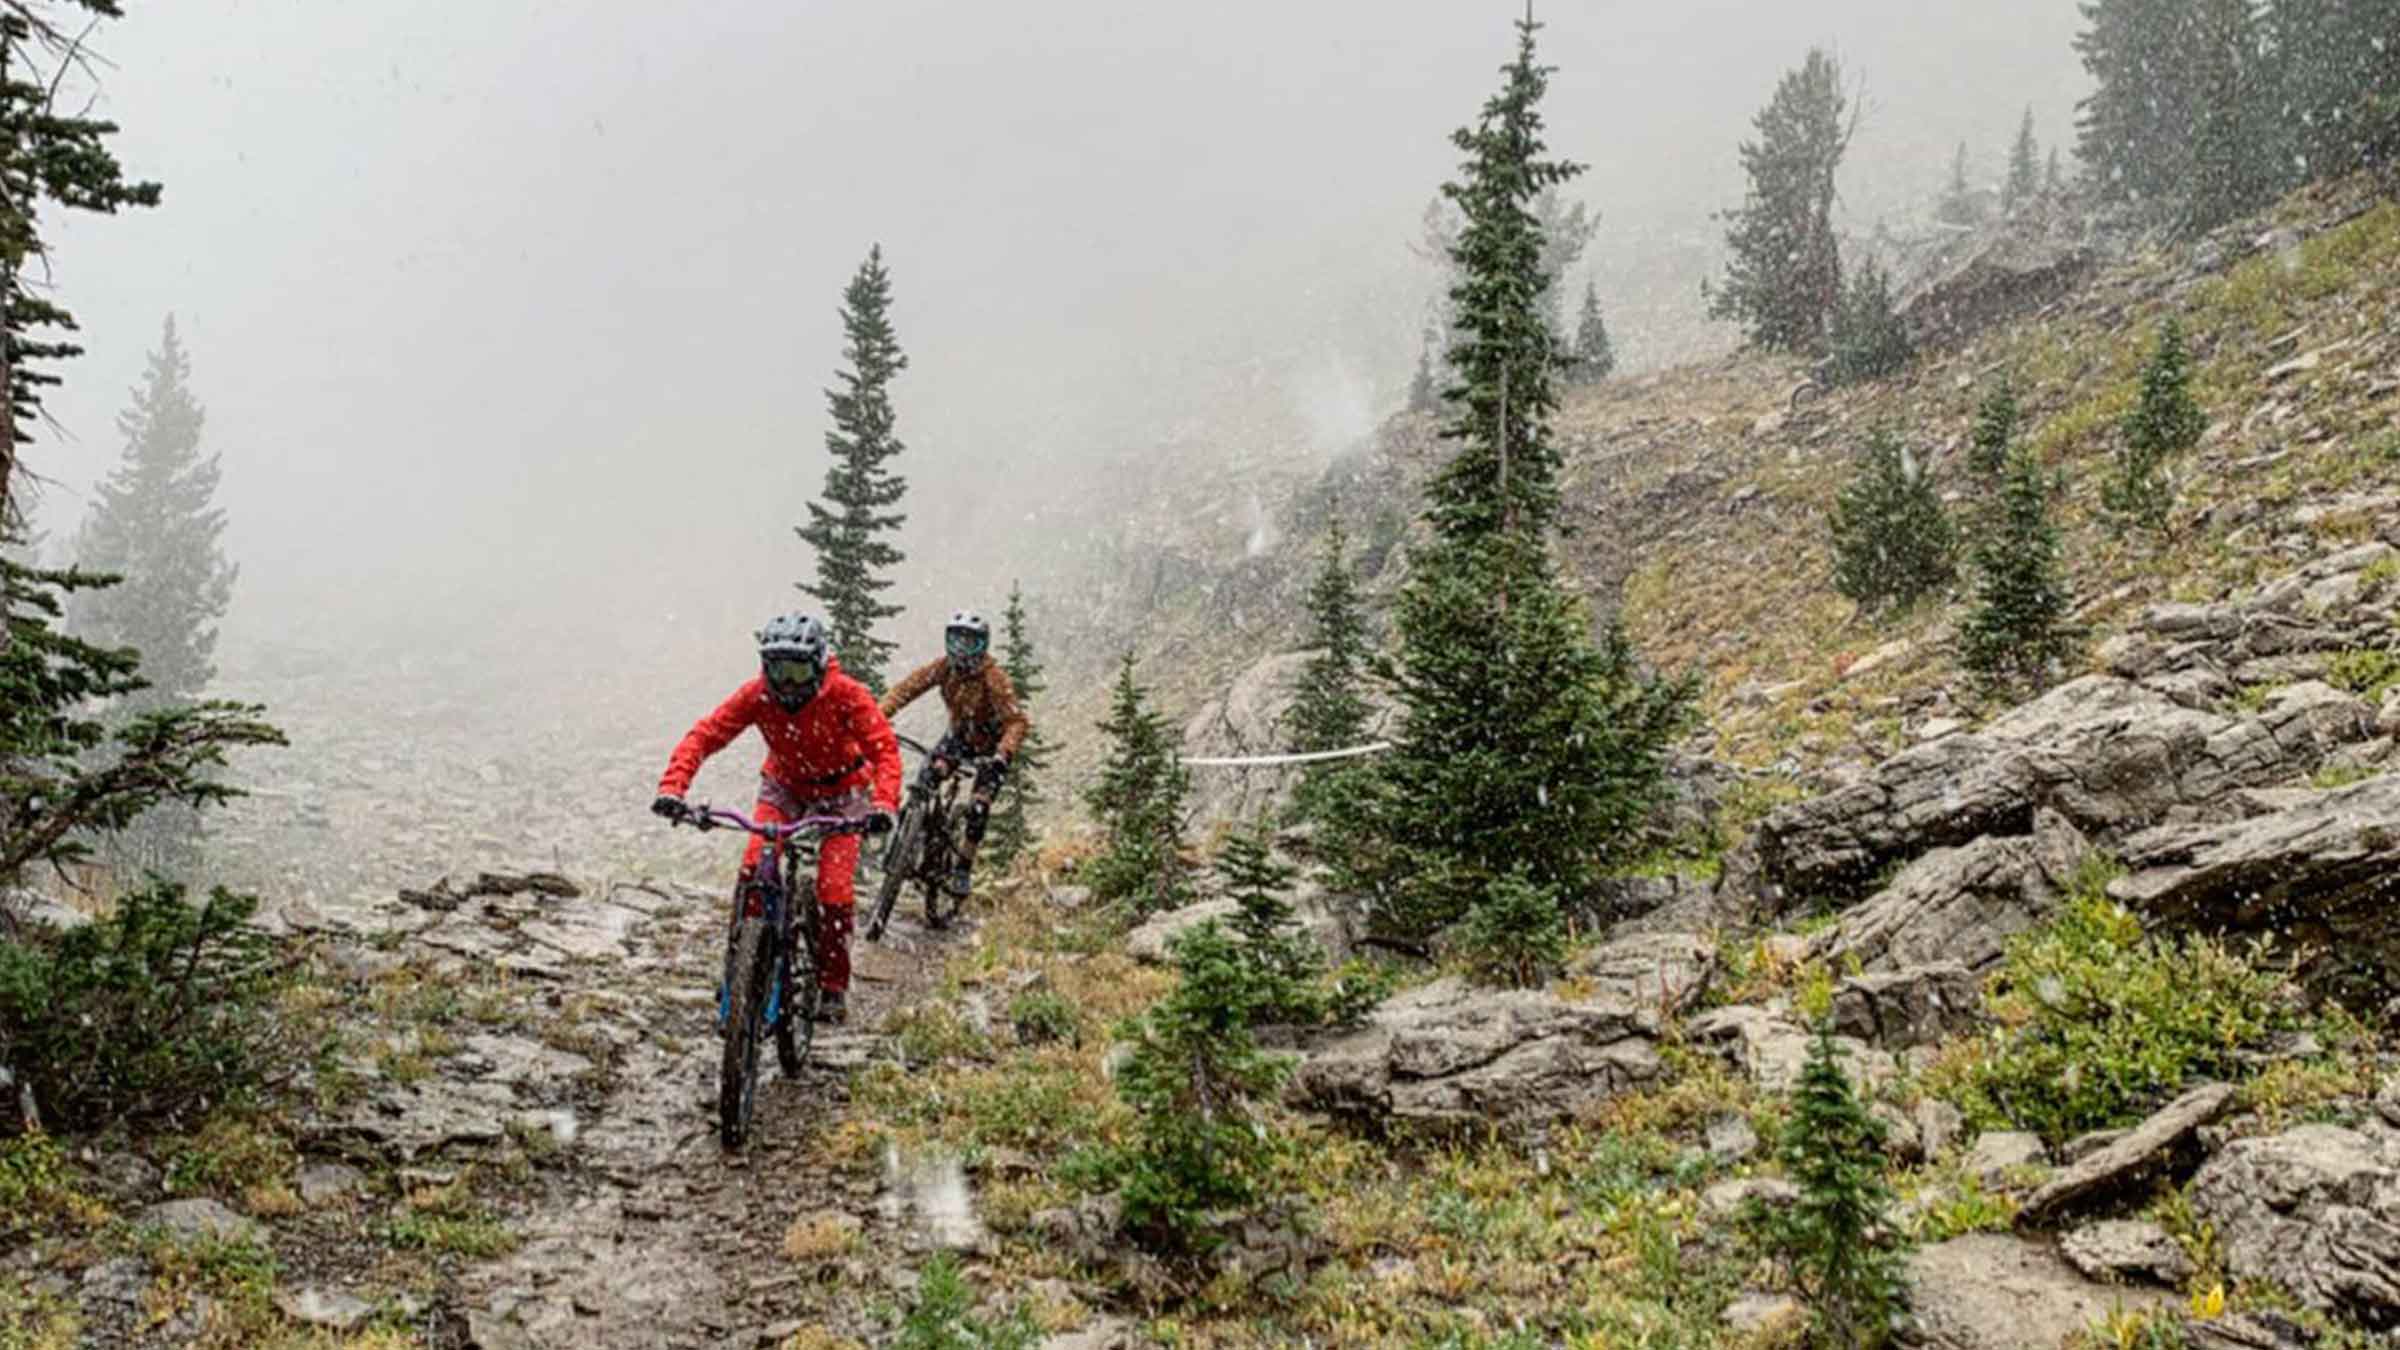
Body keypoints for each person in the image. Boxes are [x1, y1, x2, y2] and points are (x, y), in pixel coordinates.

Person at [652, 613, 900, 1025]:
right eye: (777, 669)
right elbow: (706, 735)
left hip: (844, 794)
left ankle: (833, 984)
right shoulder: (757, 695)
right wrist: (672, 788)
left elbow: (884, 750)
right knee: (753, 869)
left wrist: (884, 804)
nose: (787, 683)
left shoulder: (846, 694)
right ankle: (738, 968)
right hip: (784, 786)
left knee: (834, 890)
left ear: (818, 664)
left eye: (797, 670)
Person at [879, 610, 1031, 898]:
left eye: (969, 643)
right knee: (924, 782)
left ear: (982, 645)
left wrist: (1003, 754)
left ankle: (963, 867)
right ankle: (905, 843)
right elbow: (906, 689)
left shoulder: (994, 678)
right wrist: (878, 716)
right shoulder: (944, 668)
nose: (961, 650)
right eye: (956, 641)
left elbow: (1017, 722)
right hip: (959, 738)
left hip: (992, 747)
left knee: (978, 808)